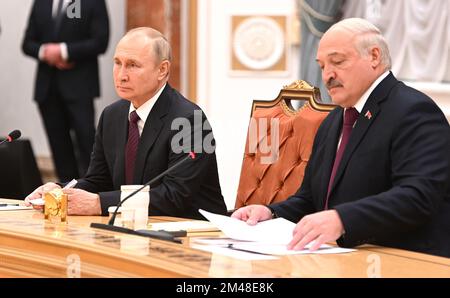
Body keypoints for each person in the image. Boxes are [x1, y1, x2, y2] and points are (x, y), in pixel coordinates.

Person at [232, 18, 450, 258]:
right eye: (322, 66)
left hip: (404, 259)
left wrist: (342, 219)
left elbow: (417, 197)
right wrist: (270, 212)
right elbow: (310, 199)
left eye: (337, 61)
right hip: (339, 256)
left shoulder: (413, 110)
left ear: (374, 56)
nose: (327, 75)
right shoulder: (334, 120)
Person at [26, 27, 227, 220]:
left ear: (162, 70)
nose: (121, 75)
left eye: (133, 65)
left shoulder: (190, 119)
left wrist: (99, 204)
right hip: (136, 227)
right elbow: (99, 180)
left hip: (193, 234)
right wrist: (60, 191)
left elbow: (174, 195)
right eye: (117, 63)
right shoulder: (112, 115)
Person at [22, 0, 110, 181]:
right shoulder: (41, 2)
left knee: (88, 145)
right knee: (59, 149)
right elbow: (27, 43)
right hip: (47, 90)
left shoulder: (93, 2)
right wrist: (45, 52)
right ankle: (65, 195)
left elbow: (101, 41)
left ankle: (92, 190)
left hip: (80, 88)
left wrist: (64, 51)